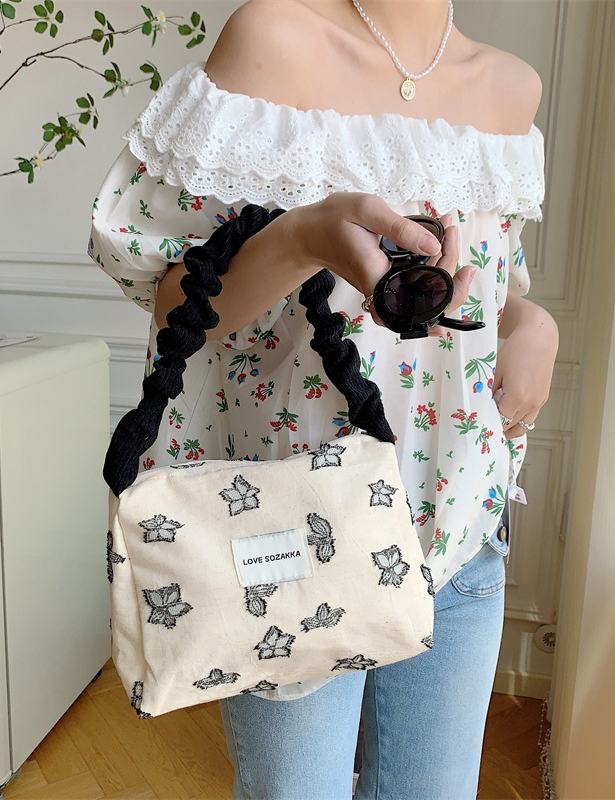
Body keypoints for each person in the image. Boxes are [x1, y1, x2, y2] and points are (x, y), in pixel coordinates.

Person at [88, 0, 558, 797]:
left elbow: (472, 287)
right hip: (290, 535)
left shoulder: (511, 90)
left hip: (458, 519)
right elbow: (175, 304)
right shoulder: (274, 41)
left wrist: (534, 323)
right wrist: (306, 236)